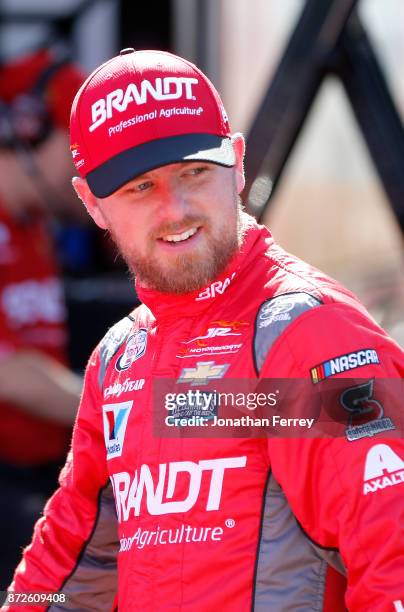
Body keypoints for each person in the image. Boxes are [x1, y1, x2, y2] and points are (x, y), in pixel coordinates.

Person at [4, 48, 403, 612]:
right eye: (139, 187)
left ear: (237, 164)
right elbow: (66, 567)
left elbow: (394, 556)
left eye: (194, 171)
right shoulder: (120, 361)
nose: (175, 209)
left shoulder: (305, 335)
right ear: (91, 202)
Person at [0, 48, 84, 588]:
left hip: (37, 477)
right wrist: (133, 408)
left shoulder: (34, 225)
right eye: (81, 147)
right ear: (30, 131)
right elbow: (7, 373)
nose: (95, 164)